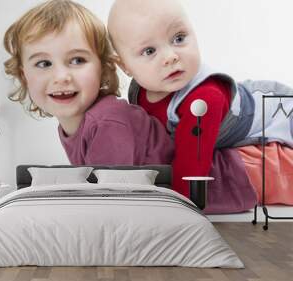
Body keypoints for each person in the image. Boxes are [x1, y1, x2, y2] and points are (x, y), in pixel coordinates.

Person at [108, 0, 293, 198]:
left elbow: (191, 169)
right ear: (124, 66)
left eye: (179, 38)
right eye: (150, 51)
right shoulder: (141, 91)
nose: (170, 56)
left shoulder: (203, 101)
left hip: (278, 111)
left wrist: (175, 204)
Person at [3, 0, 174, 166]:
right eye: (44, 64)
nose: (61, 77)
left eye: (77, 60)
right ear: (24, 76)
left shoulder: (107, 123)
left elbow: (112, 194)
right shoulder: (77, 124)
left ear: (104, 67)